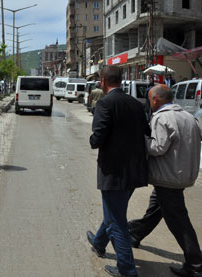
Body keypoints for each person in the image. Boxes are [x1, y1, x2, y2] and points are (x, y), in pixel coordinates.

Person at [128, 84, 202, 277]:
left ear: (155, 100)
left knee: (178, 220)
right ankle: (135, 234)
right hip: (182, 175)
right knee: (156, 207)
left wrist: (138, 138)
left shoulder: (162, 117)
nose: (149, 103)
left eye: (150, 99)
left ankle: (195, 264)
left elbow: (156, 148)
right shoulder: (188, 116)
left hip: (168, 178)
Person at [87, 65, 148, 277]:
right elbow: (146, 132)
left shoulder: (105, 103)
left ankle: (127, 270)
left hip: (114, 172)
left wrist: (92, 140)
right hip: (134, 171)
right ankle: (98, 242)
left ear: (103, 81)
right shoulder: (135, 104)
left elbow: (98, 138)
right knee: (114, 212)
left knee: (116, 221)